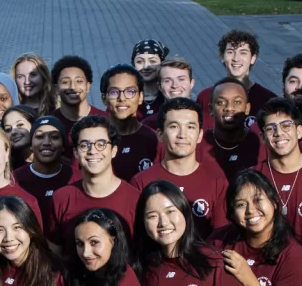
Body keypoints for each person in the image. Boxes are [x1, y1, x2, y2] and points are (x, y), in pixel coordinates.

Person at [135, 98, 230, 229]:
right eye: (174, 126)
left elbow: (220, 236)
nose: (182, 135)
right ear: (160, 134)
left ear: (200, 135)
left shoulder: (217, 182)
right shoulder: (141, 182)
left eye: (190, 127)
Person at [48, 115, 140, 247]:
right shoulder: (61, 199)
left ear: (113, 150)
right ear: (75, 152)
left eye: (101, 144)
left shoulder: (134, 198)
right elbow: (55, 252)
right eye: (85, 145)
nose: (92, 151)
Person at [257, 98, 302, 247]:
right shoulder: (252, 179)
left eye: (286, 126)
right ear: (263, 137)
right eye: (271, 129)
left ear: (299, 131)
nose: (279, 133)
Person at [195, 29, 275, 121]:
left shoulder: (267, 99)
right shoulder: (205, 97)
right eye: (230, 52)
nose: (236, 58)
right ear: (222, 56)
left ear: (253, 58)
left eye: (243, 53)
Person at [99, 64, 160, 180]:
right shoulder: (95, 140)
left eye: (130, 91)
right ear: (103, 98)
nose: (122, 98)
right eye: (114, 92)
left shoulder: (154, 140)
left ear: (141, 97)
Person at [14, 114, 77, 223]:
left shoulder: (76, 178)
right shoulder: (14, 179)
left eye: (54, 137)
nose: (47, 142)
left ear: (63, 145)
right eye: (39, 136)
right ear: (30, 145)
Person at [203, 80, 264, 182]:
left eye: (237, 102)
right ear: (210, 109)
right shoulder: (200, 144)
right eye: (221, 102)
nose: (229, 108)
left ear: (247, 108)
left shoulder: (259, 143)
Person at [50, 54, 95, 129]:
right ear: (56, 88)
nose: (73, 87)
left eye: (79, 81)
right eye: (65, 82)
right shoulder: (49, 123)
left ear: (88, 86)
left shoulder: (106, 120)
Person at [130, 39, 168, 117]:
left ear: (162, 63)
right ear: (133, 64)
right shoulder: (127, 95)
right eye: (140, 62)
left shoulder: (169, 94)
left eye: (152, 61)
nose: (146, 67)